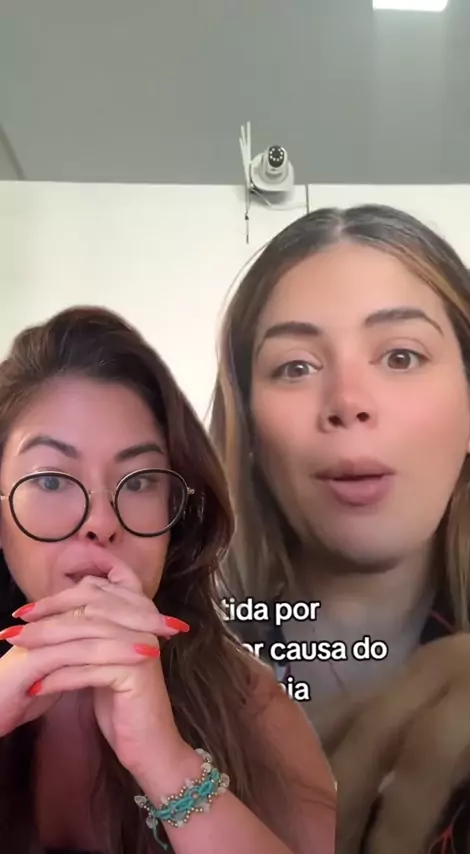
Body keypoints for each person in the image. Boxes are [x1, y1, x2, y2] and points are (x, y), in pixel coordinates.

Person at [0, 306, 336, 854]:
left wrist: (165, 760)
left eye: (138, 482)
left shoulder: (249, 703)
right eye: (52, 480)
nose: (101, 522)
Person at [210, 204, 470, 854]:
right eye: (296, 367)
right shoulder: (178, 670)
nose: (348, 402)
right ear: (250, 432)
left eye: (402, 356)